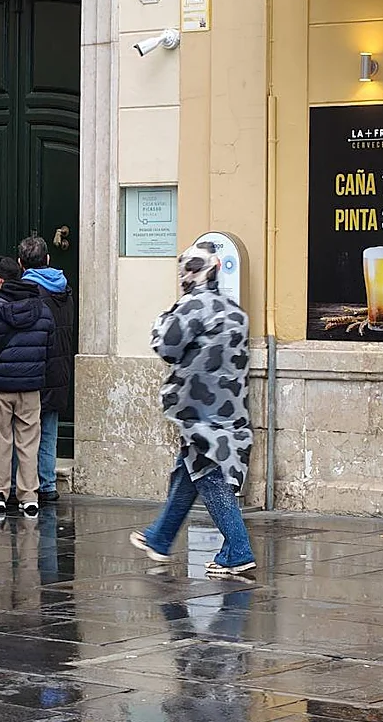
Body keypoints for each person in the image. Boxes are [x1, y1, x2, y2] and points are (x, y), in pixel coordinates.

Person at [130, 243, 256, 576]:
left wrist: (161, 320)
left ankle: (238, 550)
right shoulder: (235, 311)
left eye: (185, 270)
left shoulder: (193, 307)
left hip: (199, 411)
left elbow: (167, 347)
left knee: (209, 477)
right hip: (229, 409)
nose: (184, 277)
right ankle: (160, 538)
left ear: (192, 272)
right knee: (189, 472)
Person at [0, 256, 54, 518]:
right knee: (29, 441)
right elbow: (50, 351)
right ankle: (29, 495)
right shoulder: (42, 308)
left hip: (1, 385)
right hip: (30, 387)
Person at [14, 235, 75, 504]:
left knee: (23, 430)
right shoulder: (64, 290)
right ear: (48, 259)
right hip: (59, 367)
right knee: (48, 428)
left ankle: (25, 484)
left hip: (33, 366)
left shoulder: (27, 292)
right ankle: (47, 484)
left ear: (20, 263)